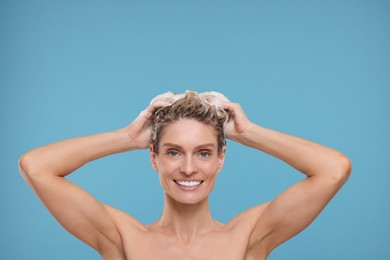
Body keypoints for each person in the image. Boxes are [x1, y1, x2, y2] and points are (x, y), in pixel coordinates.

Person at [19, 90, 351, 260]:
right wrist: (127, 138)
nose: (188, 168)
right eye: (173, 152)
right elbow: (36, 166)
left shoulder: (249, 236)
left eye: (204, 153)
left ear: (221, 159)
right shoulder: (123, 238)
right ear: (154, 158)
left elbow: (334, 169)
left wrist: (248, 132)